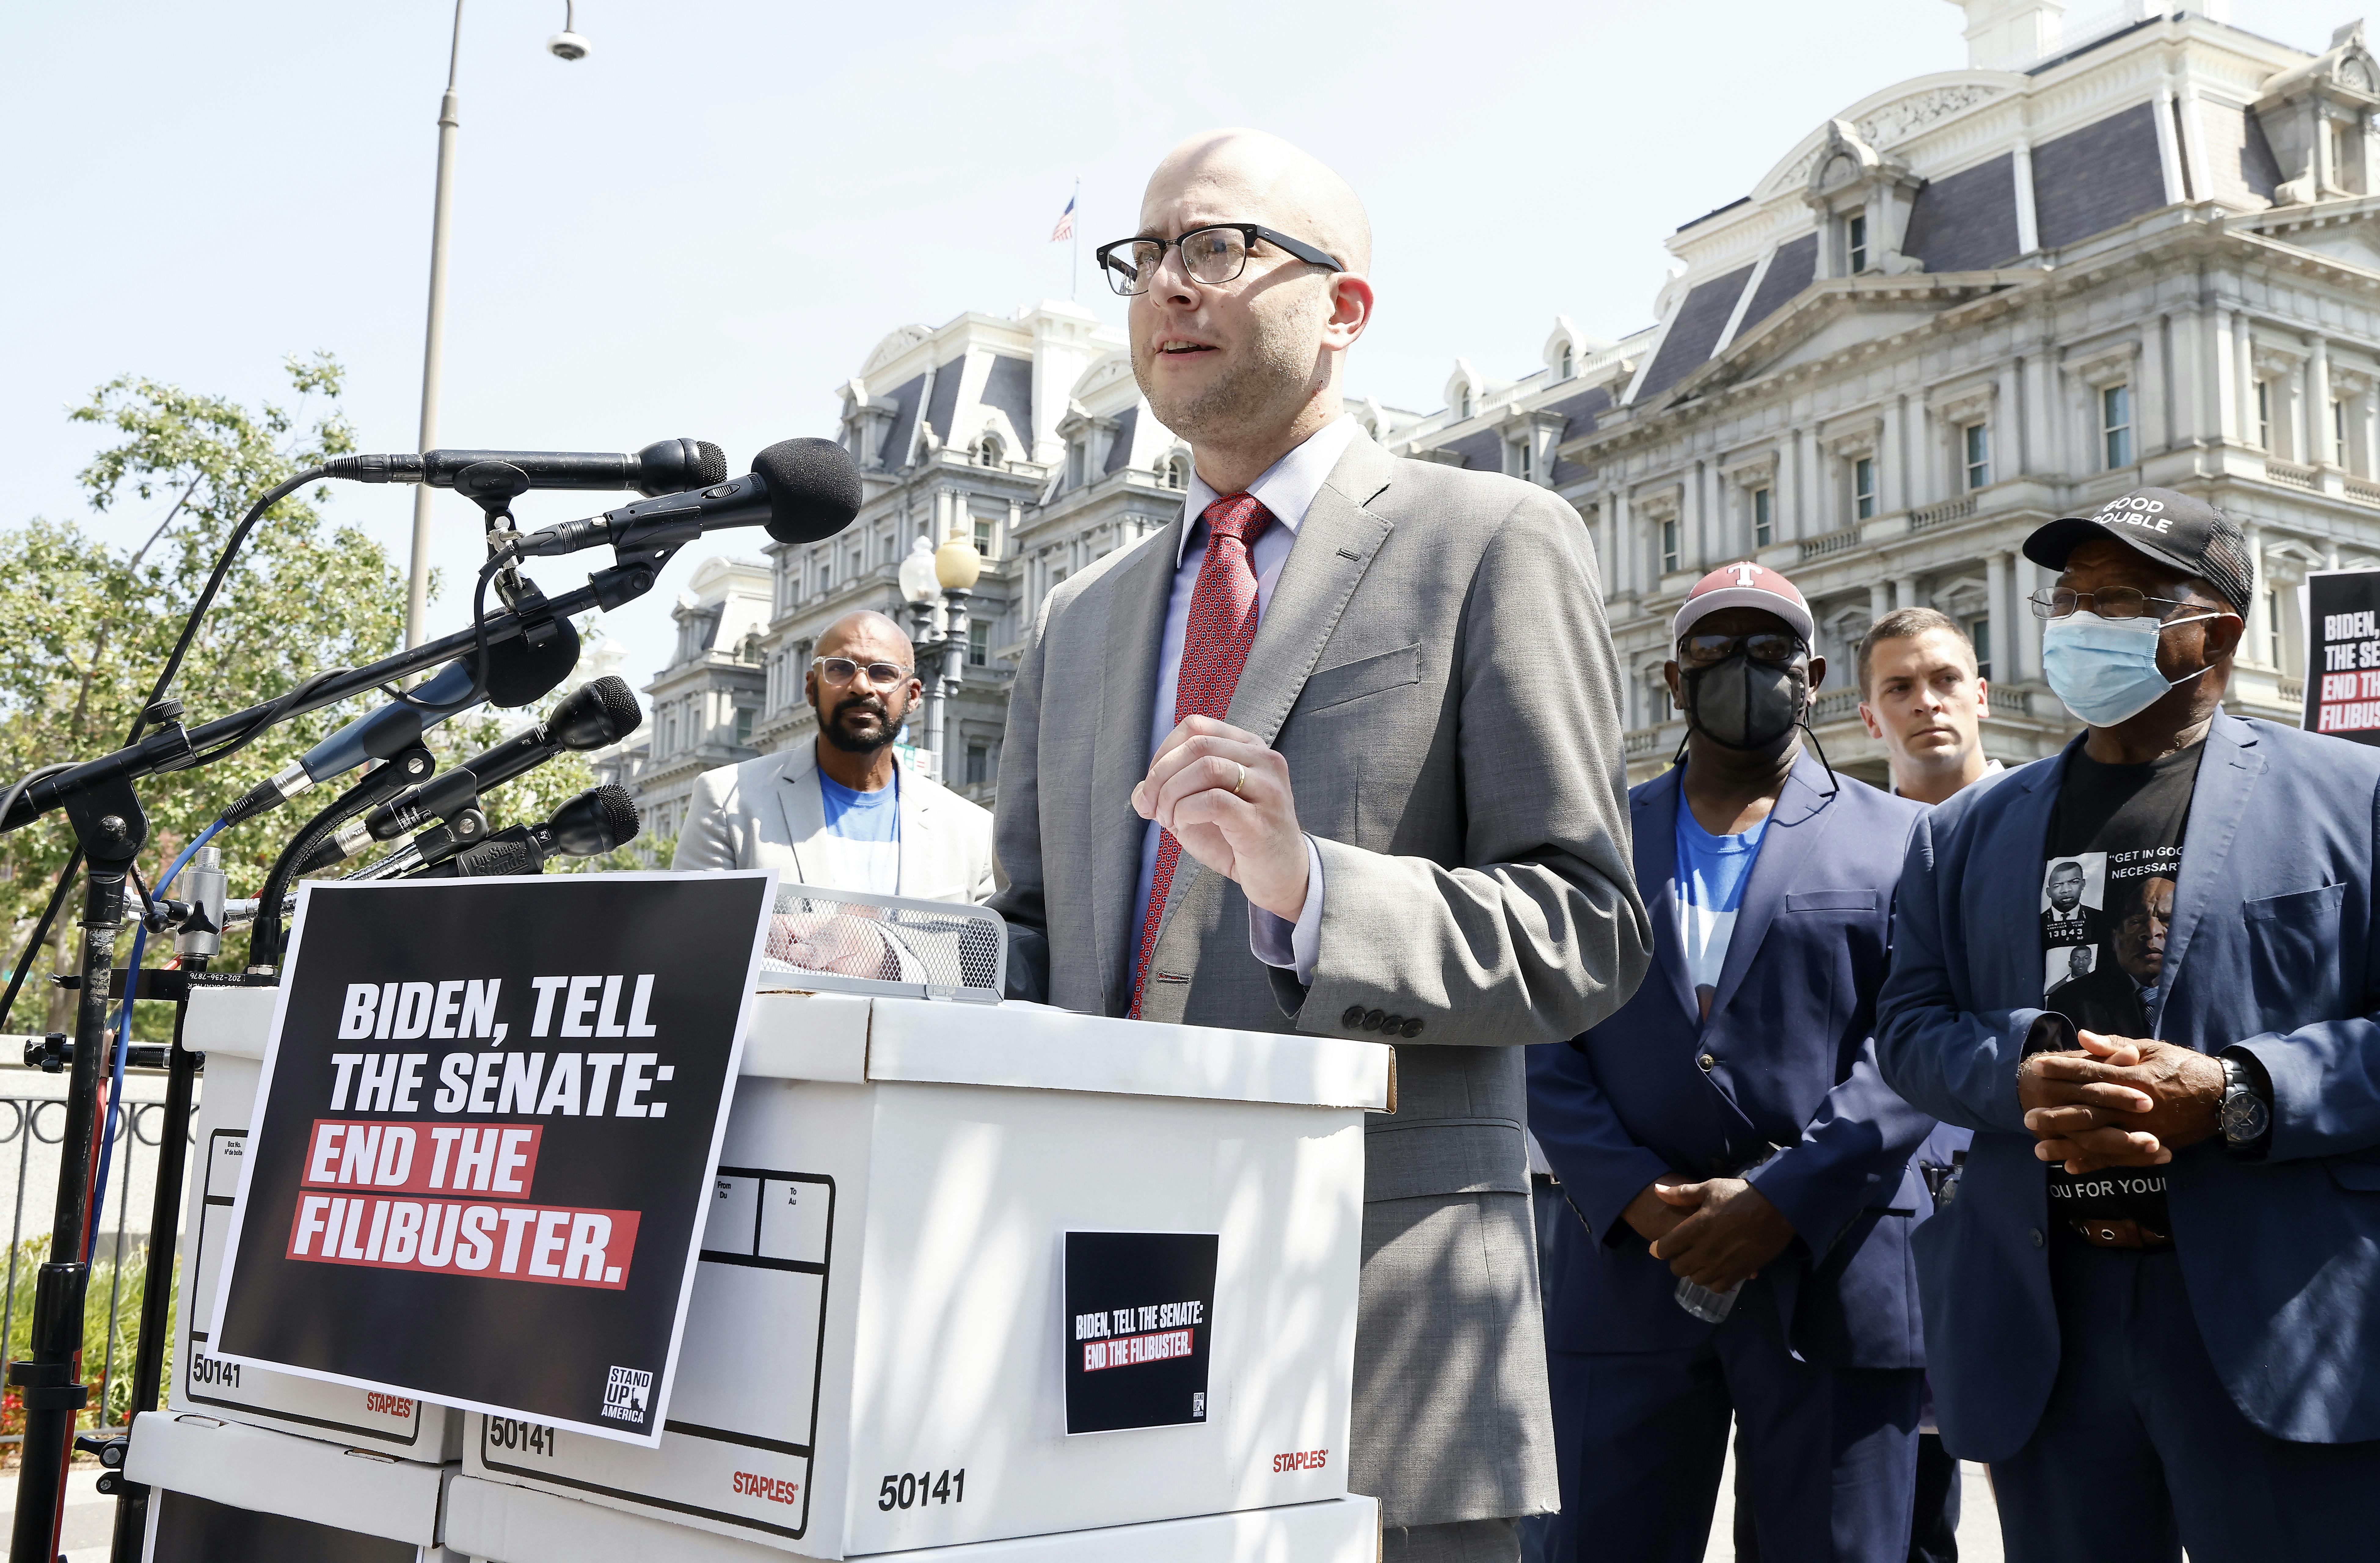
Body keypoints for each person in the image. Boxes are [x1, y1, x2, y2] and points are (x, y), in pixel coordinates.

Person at [989, 128, 1650, 1562]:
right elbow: (1033, 942)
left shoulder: (1490, 540)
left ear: (1343, 309)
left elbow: (1585, 928)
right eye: (1145, 255)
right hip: (1092, 1318)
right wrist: (896, 959)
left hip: (1379, 1332)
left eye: (1213, 247)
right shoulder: (1079, 624)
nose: (1167, 284)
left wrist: (1311, 890)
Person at [1876, 486, 2380, 1559]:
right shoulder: (1962, 835)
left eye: (2128, 598)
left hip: (2273, 1313)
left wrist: (2245, 1091)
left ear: (2220, 631)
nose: (2082, 619)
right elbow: (1910, 1026)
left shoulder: (2356, 799)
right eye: (2071, 597)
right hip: (2049, 1320)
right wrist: (2017, 1061)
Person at [1528, 562, 1933, 1563]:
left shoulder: (1904, 840)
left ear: (1814, 671)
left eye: (1768, 650)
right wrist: (1630, 1192)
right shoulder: (1592, 842)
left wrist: (1784, 1193)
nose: (1740, 670)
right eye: (1714, 651)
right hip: (1628, 1264)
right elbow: (1540, 1031)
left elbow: (1915, 1043)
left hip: (1832, 1270)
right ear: (1673, 679)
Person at [674, 608, 995, 907]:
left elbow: (986, 962)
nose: (860, 686)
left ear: (912, 696)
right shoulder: (728, 800)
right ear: (811, 688)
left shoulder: (972, 831)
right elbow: (699, 942)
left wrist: (887, 956)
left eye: (883, 672)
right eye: (840, 669)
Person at [1855, 608, 2003, 805]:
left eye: (1947, 679)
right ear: (1871, 720)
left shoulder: (2051, 811)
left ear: (1980, 698)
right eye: (1900, 689)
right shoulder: (1861, 835)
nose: (1927, 703)